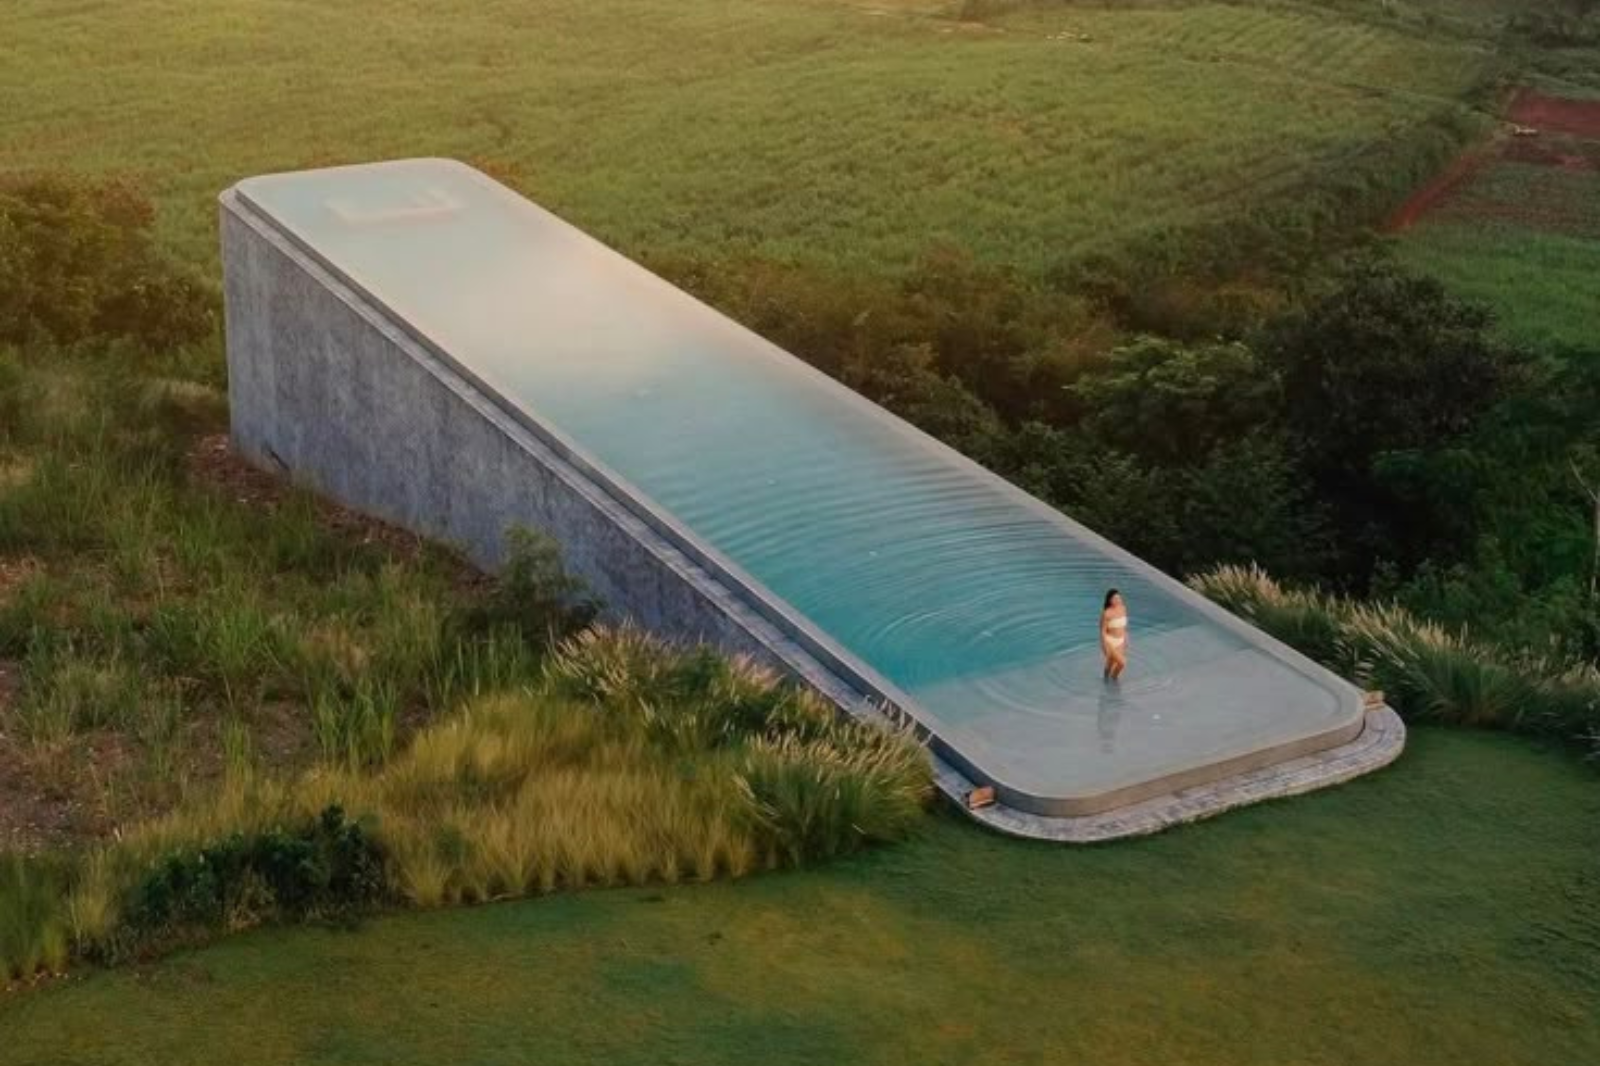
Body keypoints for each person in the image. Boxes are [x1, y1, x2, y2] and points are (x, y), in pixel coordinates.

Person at [1100, 588, 1128, 681]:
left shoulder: (1123, 608)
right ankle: (1114, 679)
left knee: (1110, 663)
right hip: (1110, 643)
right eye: (1114, 598)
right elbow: (1102, 631)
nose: (1117, 600)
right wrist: (1104, 645)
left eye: (1119, 598)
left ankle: (1106, 680)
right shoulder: (1107, 613)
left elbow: (1124, 627)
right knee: (1122, 663)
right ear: (1109, 600)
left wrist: (1126, 640)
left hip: (1121, 641)